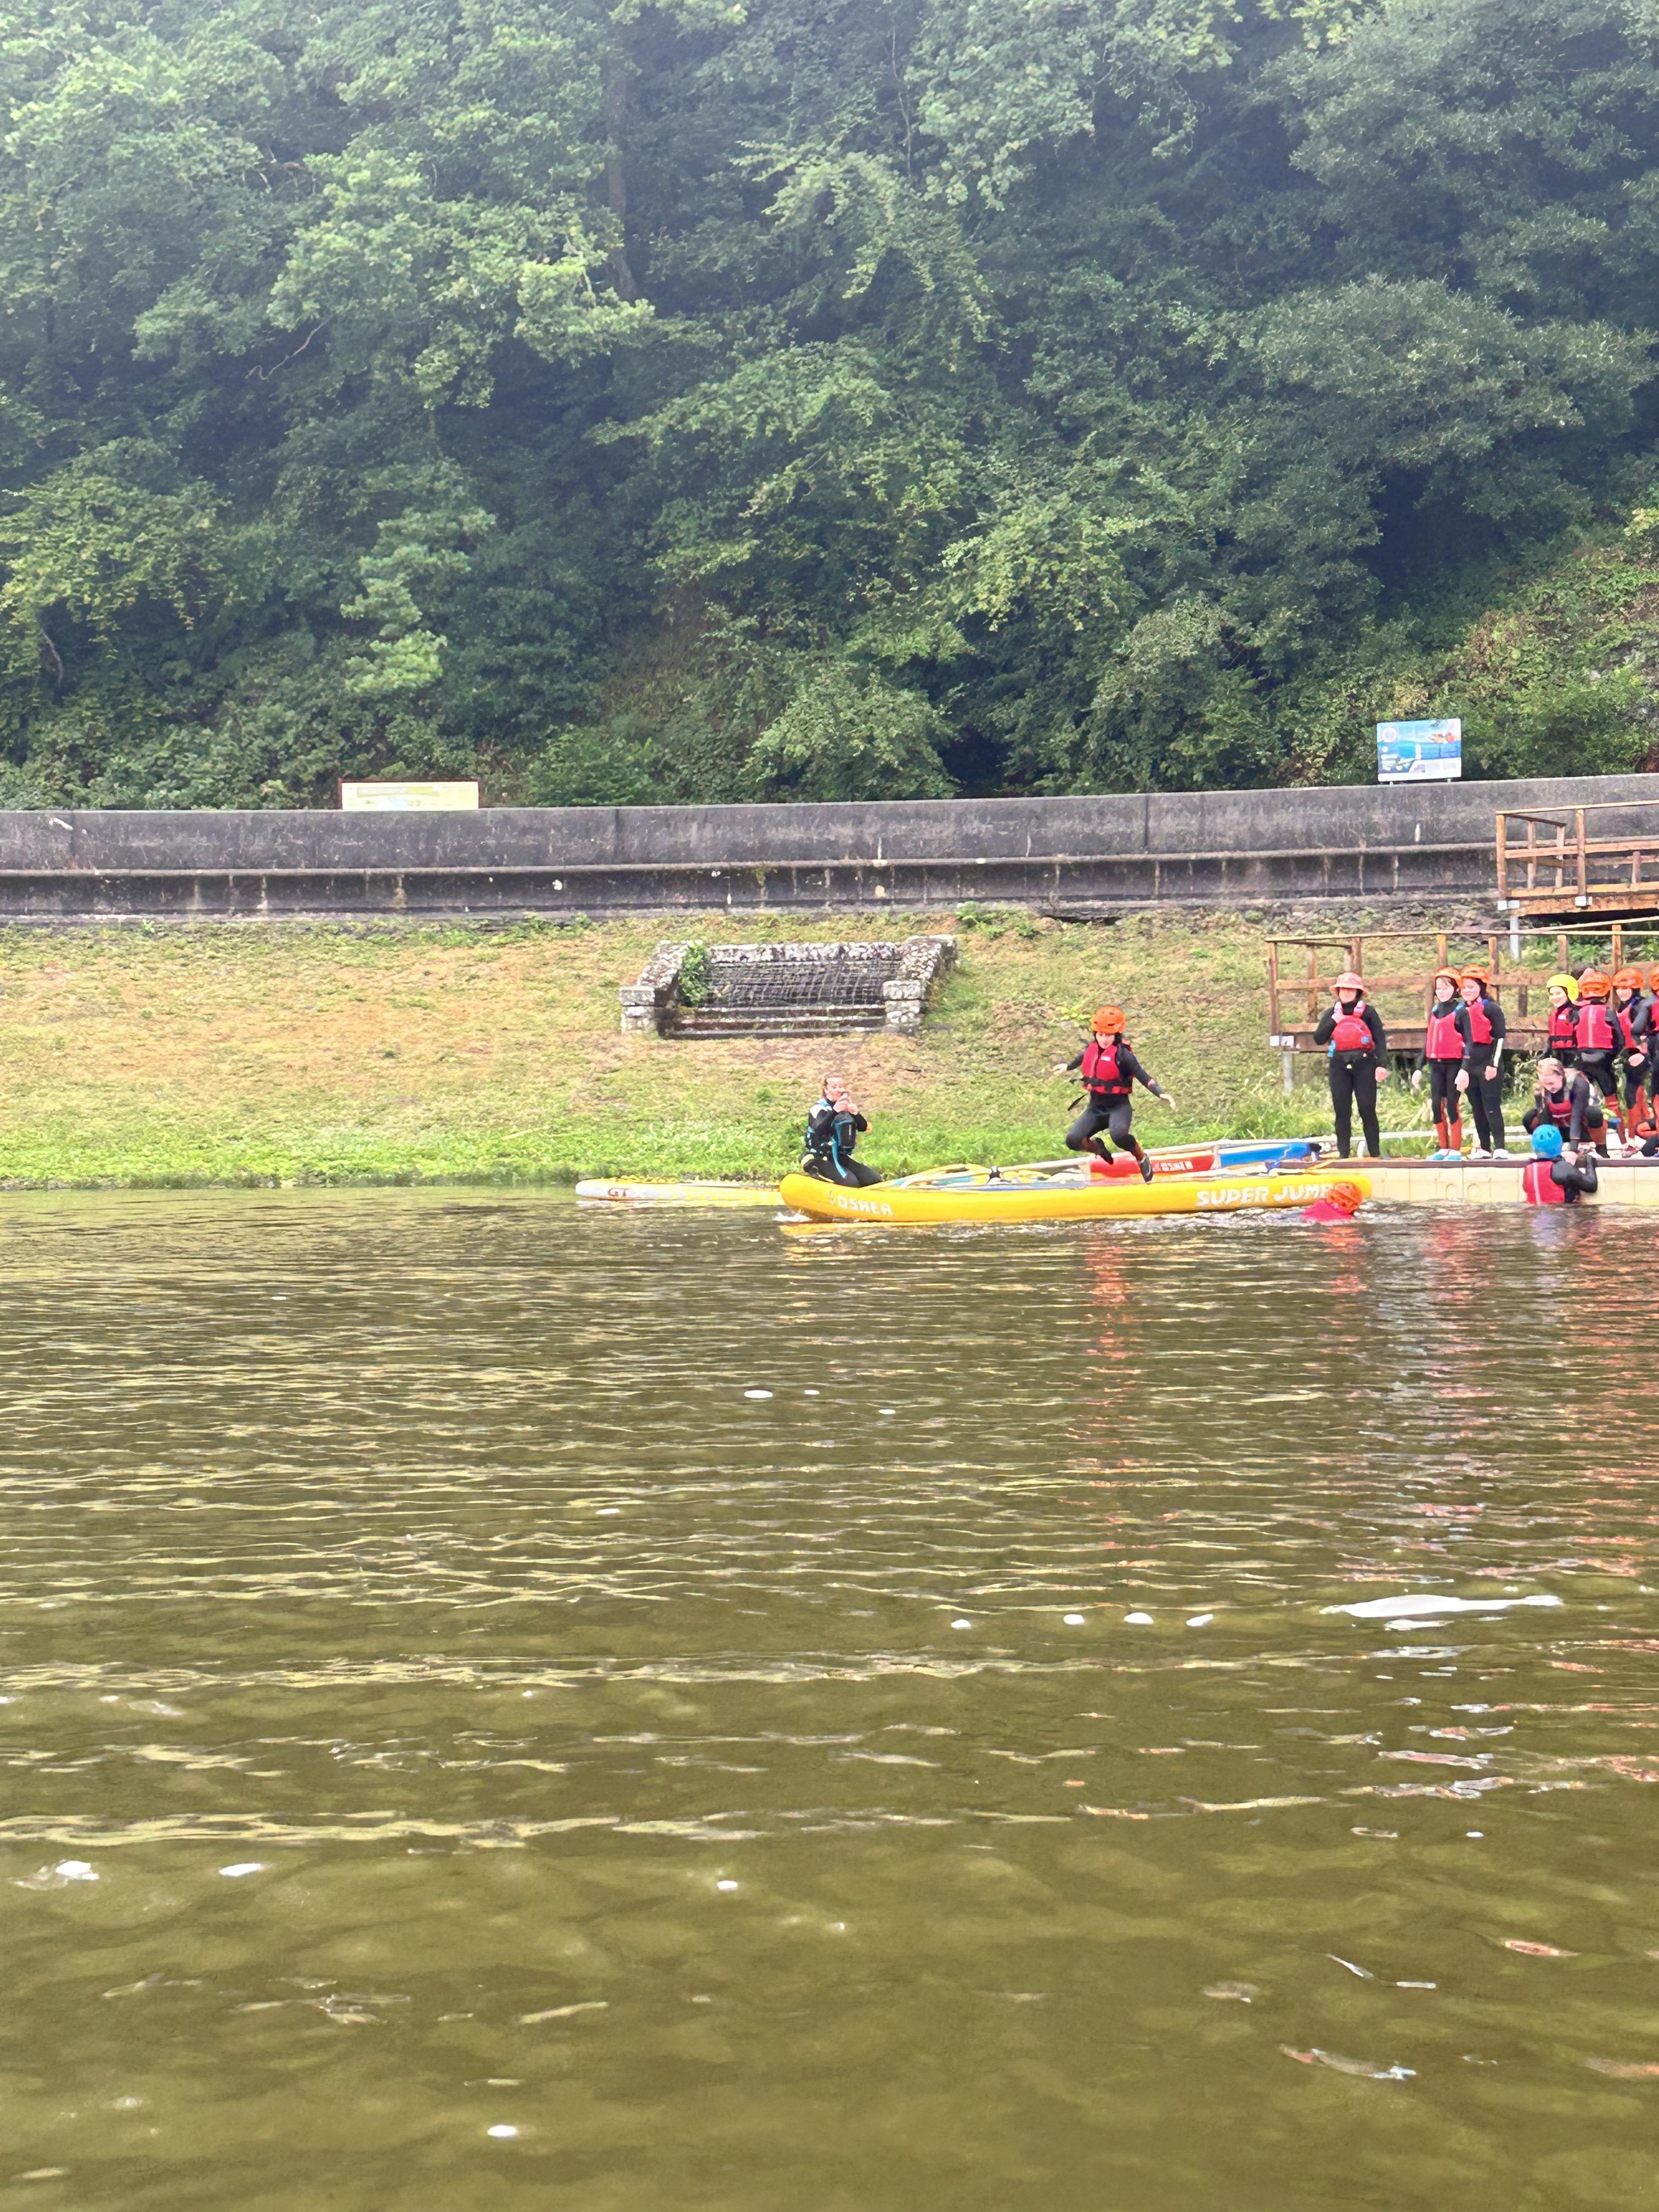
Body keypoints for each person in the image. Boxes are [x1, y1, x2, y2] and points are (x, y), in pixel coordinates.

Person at [1057, 1005, 1177, 1183]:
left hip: (1118, 1107)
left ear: (1117, 1035)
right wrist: (1067, 1067)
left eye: (1109, 1035)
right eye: (1100, 1035)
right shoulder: (1091, 1048)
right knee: (1073, 1141)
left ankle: (1141, 1157)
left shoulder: (1124, 1055)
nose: (1104, 1039)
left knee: (1119, 1136)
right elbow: (1081, 1058)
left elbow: (1143, 1076)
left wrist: (1161, 1094)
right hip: (1095, 1109)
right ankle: (1098, 1148)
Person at [1312, 969, 1388, 1159]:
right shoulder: (1332, 1013)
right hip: (1339, 1066)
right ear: (1338, 992)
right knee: (1342, 1111)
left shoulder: (1368, 1013)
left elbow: (1380, 1039)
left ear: (1358, 992)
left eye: (1351, 990)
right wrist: (1333, 1022)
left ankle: (1375, 1154)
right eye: (1343, 989)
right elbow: (1319, 1039)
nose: (1346, 993)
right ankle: (1343, 1155)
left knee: (1367, 1109)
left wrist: (1381, 1064)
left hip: (1365, 1064)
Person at [1411, 966, 1471, 1158]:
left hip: (1454, 1064)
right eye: (1438, 989)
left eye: (1446, 988)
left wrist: (1465, 1069)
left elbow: (1469, 1042)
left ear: (1455, 989)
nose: (1442, 992)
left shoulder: (1462, 1012)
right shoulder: (1435, 1011)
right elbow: (1429, 1041)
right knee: (1437, 1106)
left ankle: (1456, 1149)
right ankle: (1443, 1147)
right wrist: (1419, 1068)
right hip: (1436, 1065)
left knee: (1452, 1105)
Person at [1458, 965, 1508, 1159]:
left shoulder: (1491, 1008)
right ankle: (1485, 1148)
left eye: (1471, 987)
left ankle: (1500, 1147)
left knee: (1491, 1106)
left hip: (1489, 1062)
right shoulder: (1462, 1011)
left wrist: (1493, 1065)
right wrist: (1463, 1068)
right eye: (1464, 987)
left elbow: (1500, 1038)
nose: (1467, 991)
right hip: (1471, 1065)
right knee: (1477, 1108)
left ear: (1481, 987)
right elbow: (1462, 1040)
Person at [1572, 969, 1622, 1144]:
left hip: (1583, 1062)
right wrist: (1610, 1057)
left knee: (1583, 1102)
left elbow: (1573, 1040)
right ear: (1606, 992)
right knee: (1612, 1103)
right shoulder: (1609, 1012)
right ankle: (1624, 1143)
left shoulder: (1578, 1013)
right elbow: (1620, 1040)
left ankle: (1586, 1142)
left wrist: (1579, 1057)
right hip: (1604, 1062)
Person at [802, 1074, 880, 1186]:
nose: (839, 1090)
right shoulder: (818, 1108)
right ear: (826, 1090)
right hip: (820, 1157)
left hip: (840, 1157)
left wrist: (855, 1114)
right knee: (852, 1183)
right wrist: (835, 1111)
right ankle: (816, 1175)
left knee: (873, 1180)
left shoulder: (846, 1108)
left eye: (841, 1086)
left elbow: (863, 1127)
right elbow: (819, 1130)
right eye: (834, 1087)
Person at [1522, 1057, 1607, 1152]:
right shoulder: (1541, 1091)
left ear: (1561, 1076)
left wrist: (1574, 1146)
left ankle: (1600, 1146)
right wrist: (1545, 1148)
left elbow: (1576, 1116)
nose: (1549, 1088)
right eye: (1545, 1084)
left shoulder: (1579, 1085)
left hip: (1584, 1128)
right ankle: (1551, 1145)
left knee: (1593, 1113)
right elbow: (1545, 1120)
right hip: (1562, 1129)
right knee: (1530, 1118)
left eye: (1551, 1083)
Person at [1611, 966, 1651, 1133]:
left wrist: (1643, 1052)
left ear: (1635, 988)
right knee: (1638, 1092)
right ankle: (1646, 1128)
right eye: (1619, 988)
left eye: (1625, 988)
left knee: (1631, 1093)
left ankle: (1634, 1134)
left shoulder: (1641, 1006)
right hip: (1629, 1053)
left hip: (1642, 1053)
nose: (1621, 992)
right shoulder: (1623, 1006)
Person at [1520, 1122, 1599, 1205]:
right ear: (1560, 1144)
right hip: (1561, 1212)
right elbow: (1592, 1185)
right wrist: (1590, 1163)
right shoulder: (1562, 1168)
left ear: (1534, 1147)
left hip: (1534, 1212)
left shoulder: (1529, 1170)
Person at [1544, 972, 1579, 1065]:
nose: (1555, 997)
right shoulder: (1554, 1014)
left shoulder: (1575, 1013)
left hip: (1572, 1055)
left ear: (1569, 992)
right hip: (1557, 1054)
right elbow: (1551, 1038)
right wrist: (1545, 1054)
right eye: (1552, 994)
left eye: (1559, 993)